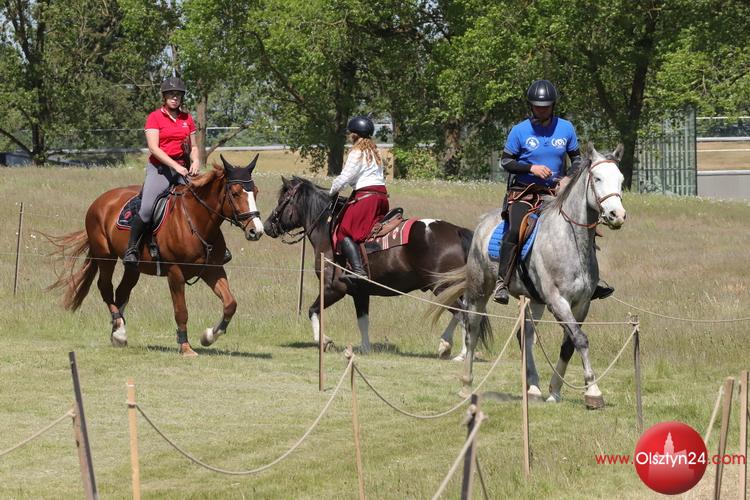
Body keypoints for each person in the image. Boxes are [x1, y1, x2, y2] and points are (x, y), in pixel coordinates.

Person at [493, 79, 614, 304]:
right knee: (515, 230)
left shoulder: (566, 128)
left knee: (584, 228)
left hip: (557, 192)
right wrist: (531, 168)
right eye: (538, 106)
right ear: (531, 106)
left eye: (546, 106)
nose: (542, 110)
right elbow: (506, 161)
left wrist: (568, 179)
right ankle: (502, 281)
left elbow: (577, 159)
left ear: (553, 105)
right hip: (525, 193)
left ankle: (590, 281)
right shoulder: (519, 131)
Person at [123, 77, 200, 266]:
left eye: (178, 95)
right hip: (160, 170)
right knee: (147, 209)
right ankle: (132, 249)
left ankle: (214, 248)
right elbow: (154, 148)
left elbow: (194, 146)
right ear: (164, 97)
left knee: (203, 202)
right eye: (171, 95)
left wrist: (196, 160)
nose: (175, 98)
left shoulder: (187, 119)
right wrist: (175, 166)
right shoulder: (154, 117)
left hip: (182, 169)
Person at [329, 115, 389, 286]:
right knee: (366, 231)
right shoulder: (376, 152)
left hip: (366, 199)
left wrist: (331, 192)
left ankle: (358, 270)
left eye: (351, 133)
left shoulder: (356, 152)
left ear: (355, 135)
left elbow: (344, 178)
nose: (349, 136)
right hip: (381, 198)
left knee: (344, 231)